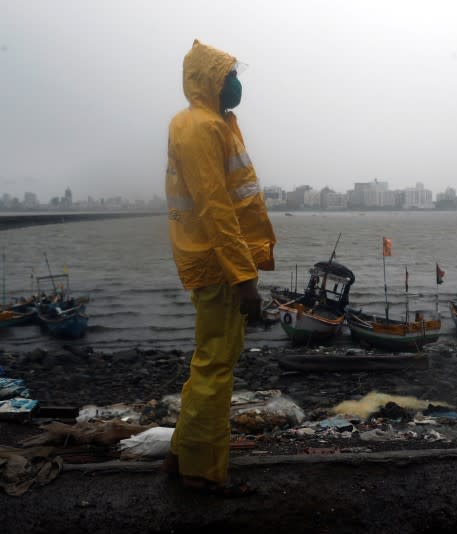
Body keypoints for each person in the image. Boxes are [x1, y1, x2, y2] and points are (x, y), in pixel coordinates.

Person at [161, 39, 276, 496]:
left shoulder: (208, 123)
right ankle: (202, 474)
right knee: (216, 368)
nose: (236, 83)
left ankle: (181, 455)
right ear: (211, 80)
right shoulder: (202, 127)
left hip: (211, 261)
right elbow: (216, 208)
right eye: (230, 75)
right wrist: (244, 278)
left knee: (207, 361)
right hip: (218, 266)